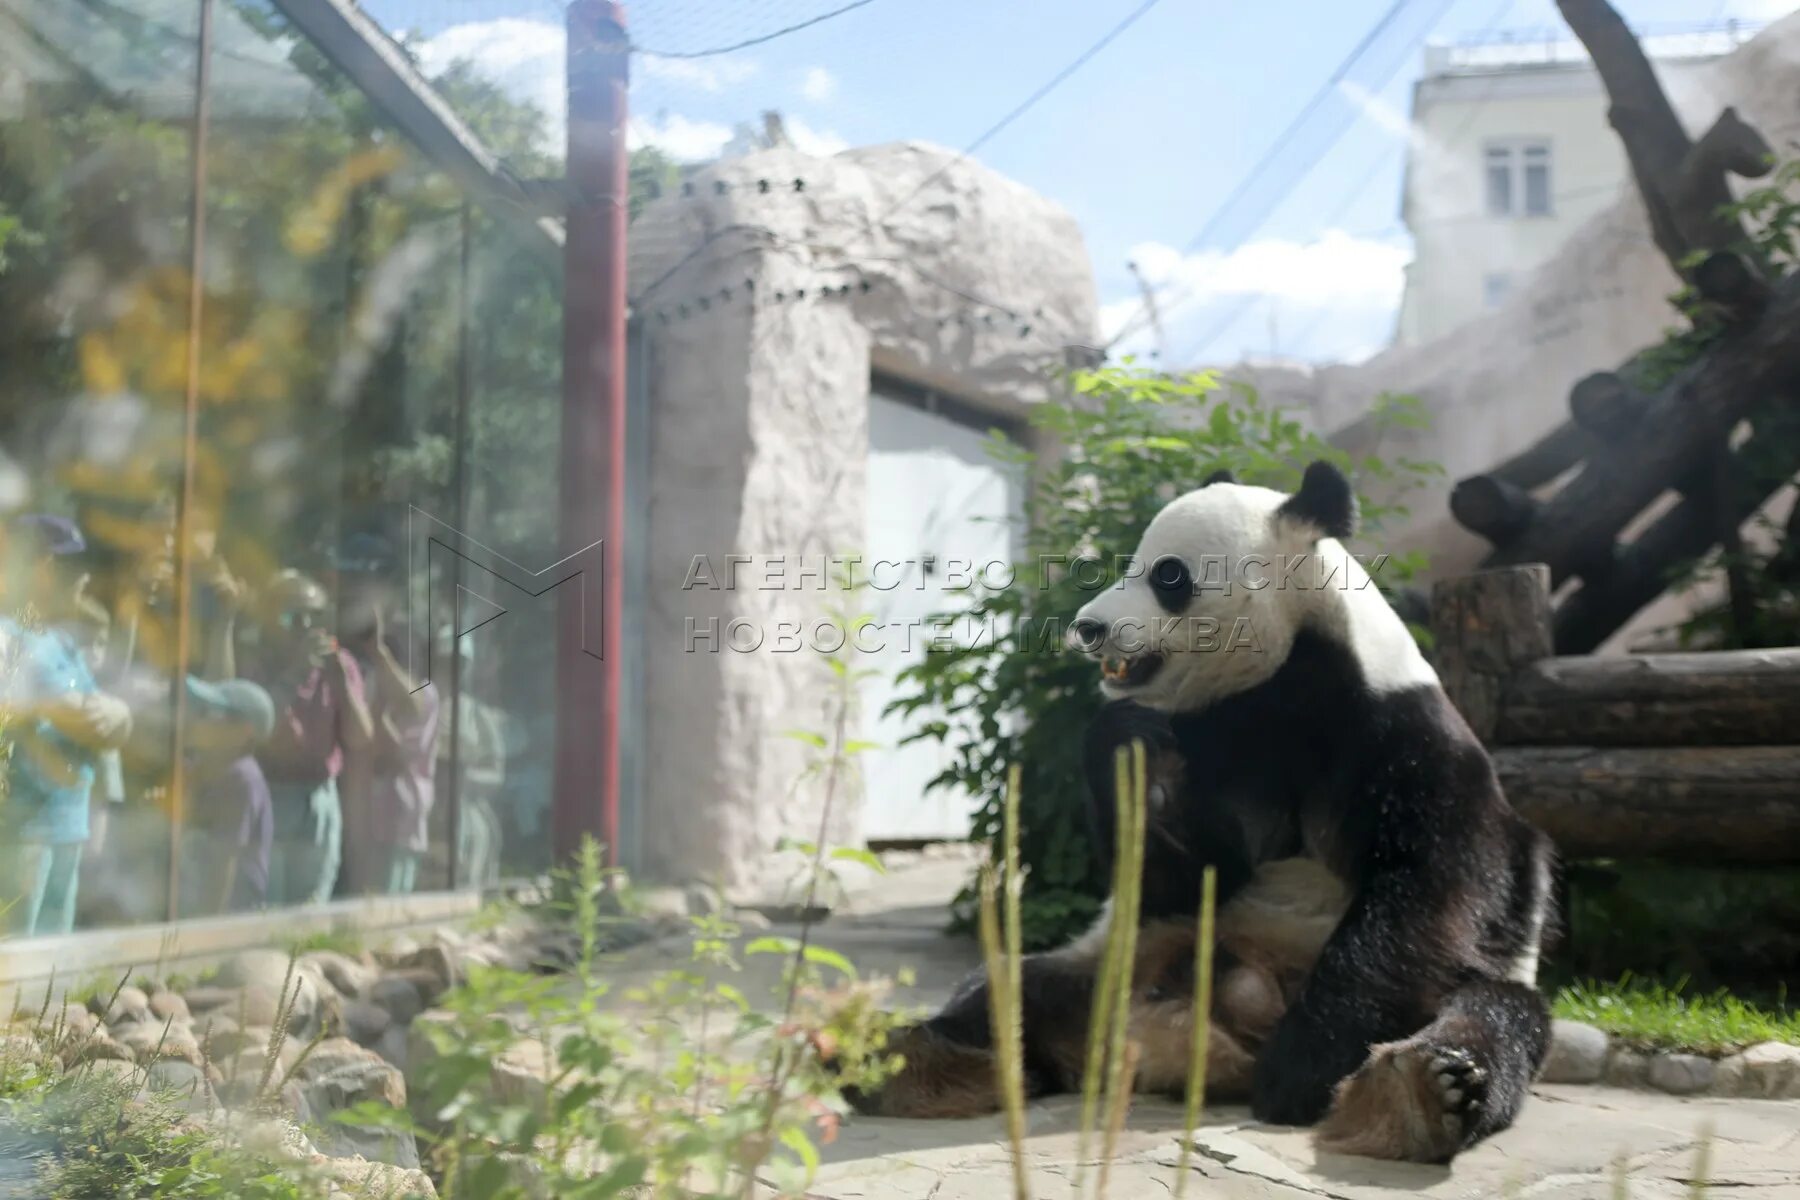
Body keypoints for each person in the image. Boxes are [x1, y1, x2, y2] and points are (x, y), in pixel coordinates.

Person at [0, 514, 134, 937]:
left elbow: (101, 716)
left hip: (66, 821)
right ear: (39, 568)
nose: (84, 578)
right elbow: (68, 712)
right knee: (16, 949)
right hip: (24, 827)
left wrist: (119, 717)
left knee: (53, 948)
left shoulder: (61, 640)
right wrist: (79, 710)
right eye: (71, 567)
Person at [246, 570, 372, 906]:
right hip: (273, 792)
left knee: (312, 903)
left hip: (321, 796)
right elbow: (261, 732)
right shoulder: (256, 664)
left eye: (313, 616)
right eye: (292, 616)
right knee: (268, 903)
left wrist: (342, 684)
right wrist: (295, 673)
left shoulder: (338, 664)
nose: (304, 627)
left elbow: (360, 738)